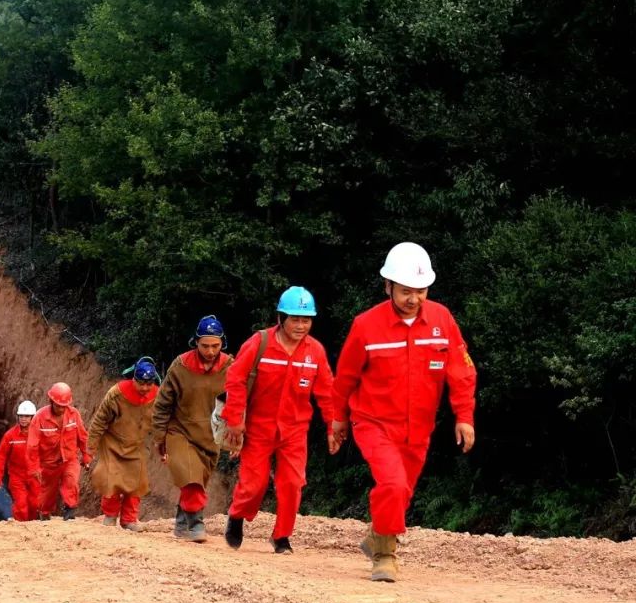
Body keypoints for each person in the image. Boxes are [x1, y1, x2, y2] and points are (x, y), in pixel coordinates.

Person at [332, 242, 477, 582]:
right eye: (406, 292)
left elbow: (461, 372)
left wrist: (465, 417)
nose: (413, 299)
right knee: (393, 485)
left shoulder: (442, 320)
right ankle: (385, 555)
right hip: (373, 422)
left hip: (419, 426)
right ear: (388, 287)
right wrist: (338, 418)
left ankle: (376, 535)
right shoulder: (366, 326)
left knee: (402, 492)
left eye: (421, 291)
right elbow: (345, 377)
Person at [221, 286, 335, 554]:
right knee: (253, 484)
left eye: (306, 320)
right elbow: (235, 379)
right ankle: (236, 516)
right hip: (259, 428)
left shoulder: (315, 352)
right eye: (295, 319)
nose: (300, 325)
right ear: (281, 318)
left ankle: (281, 536)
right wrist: (235, 419)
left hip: (295, 430)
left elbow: (328, 393)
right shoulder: (259, 343)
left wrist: (333, 426)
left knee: (293, 484)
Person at [152, 315, 234, 542]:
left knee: (196, 482)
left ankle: (181, 523)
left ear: (222, 343)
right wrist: (160, 437)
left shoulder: (230, 367)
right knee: (191, 479)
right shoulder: (180, 366)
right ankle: (196, 524)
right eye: (205, 345)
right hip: (180, 432)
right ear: (195, 342)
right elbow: (162, 404)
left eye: (215, 346)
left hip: (211, 437)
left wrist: (237, 438)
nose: (210, 351)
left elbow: (239, 402)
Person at [87, 357, 160, 532]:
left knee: (137, 483)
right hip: (112, 442)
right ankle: (110, 516)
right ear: (133, 379)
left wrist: (163, 445)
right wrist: (90, 448)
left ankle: (129, 520)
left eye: (148, 384)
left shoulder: (158, 395)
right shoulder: (116, 393)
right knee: (112, 481)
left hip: (136, 444)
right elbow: (99, 421)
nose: (144, 388)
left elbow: (163, 422)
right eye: (141, 383)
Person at [27, 382, 91, 520]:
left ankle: (70, 510)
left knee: (71, 482)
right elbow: (32, 445)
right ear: (51, 401)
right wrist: (34, 467)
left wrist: (86, 455)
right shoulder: (40, 418)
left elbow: (83, 437)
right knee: (47, 494)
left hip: (69, 459)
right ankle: (44, 514)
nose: (61, 409)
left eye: (64, 406)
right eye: (58, 406)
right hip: (48, 464)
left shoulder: (74, 415)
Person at [0, 400, 41, 521]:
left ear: (33, 417)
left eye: (27, 416)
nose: (23, 419)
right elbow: (0, 456)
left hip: (35, 476)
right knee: (21, 505)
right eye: (21, 416)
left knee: (35, 504)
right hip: (17, 477)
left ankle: (32, 526)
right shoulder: (10, 436)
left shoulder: (39, 434)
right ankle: (20, 529)